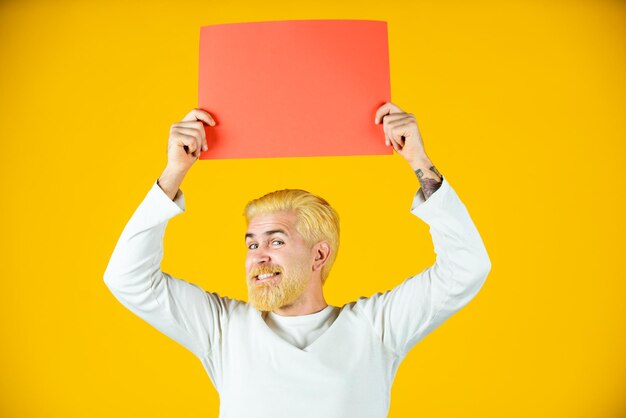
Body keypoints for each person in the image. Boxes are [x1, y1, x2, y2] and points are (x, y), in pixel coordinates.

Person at [103, 102, 491, 418]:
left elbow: (466, 269)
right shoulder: (223, 329)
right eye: (251, 244)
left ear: (319, 254)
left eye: (276, 240)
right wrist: (175, 172)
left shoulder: (377, 329)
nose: (258, 257)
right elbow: (127, 278)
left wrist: (419, 160)